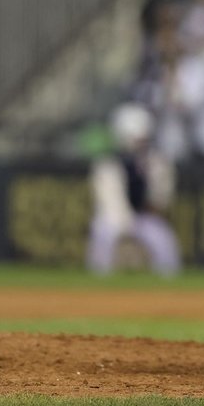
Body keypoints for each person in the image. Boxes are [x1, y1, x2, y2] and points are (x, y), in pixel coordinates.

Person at [86, 103, 181, 277]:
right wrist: (125, 225)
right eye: (137, 139)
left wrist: (154, 176)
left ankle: (169, 279)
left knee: (163, 238)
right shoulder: (108, 163)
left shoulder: (153, 162)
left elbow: (160, 199)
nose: (141, 144)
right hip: (115, 218)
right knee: (103, 232)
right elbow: (111, 203)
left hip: (143, 217)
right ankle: (100, 276)